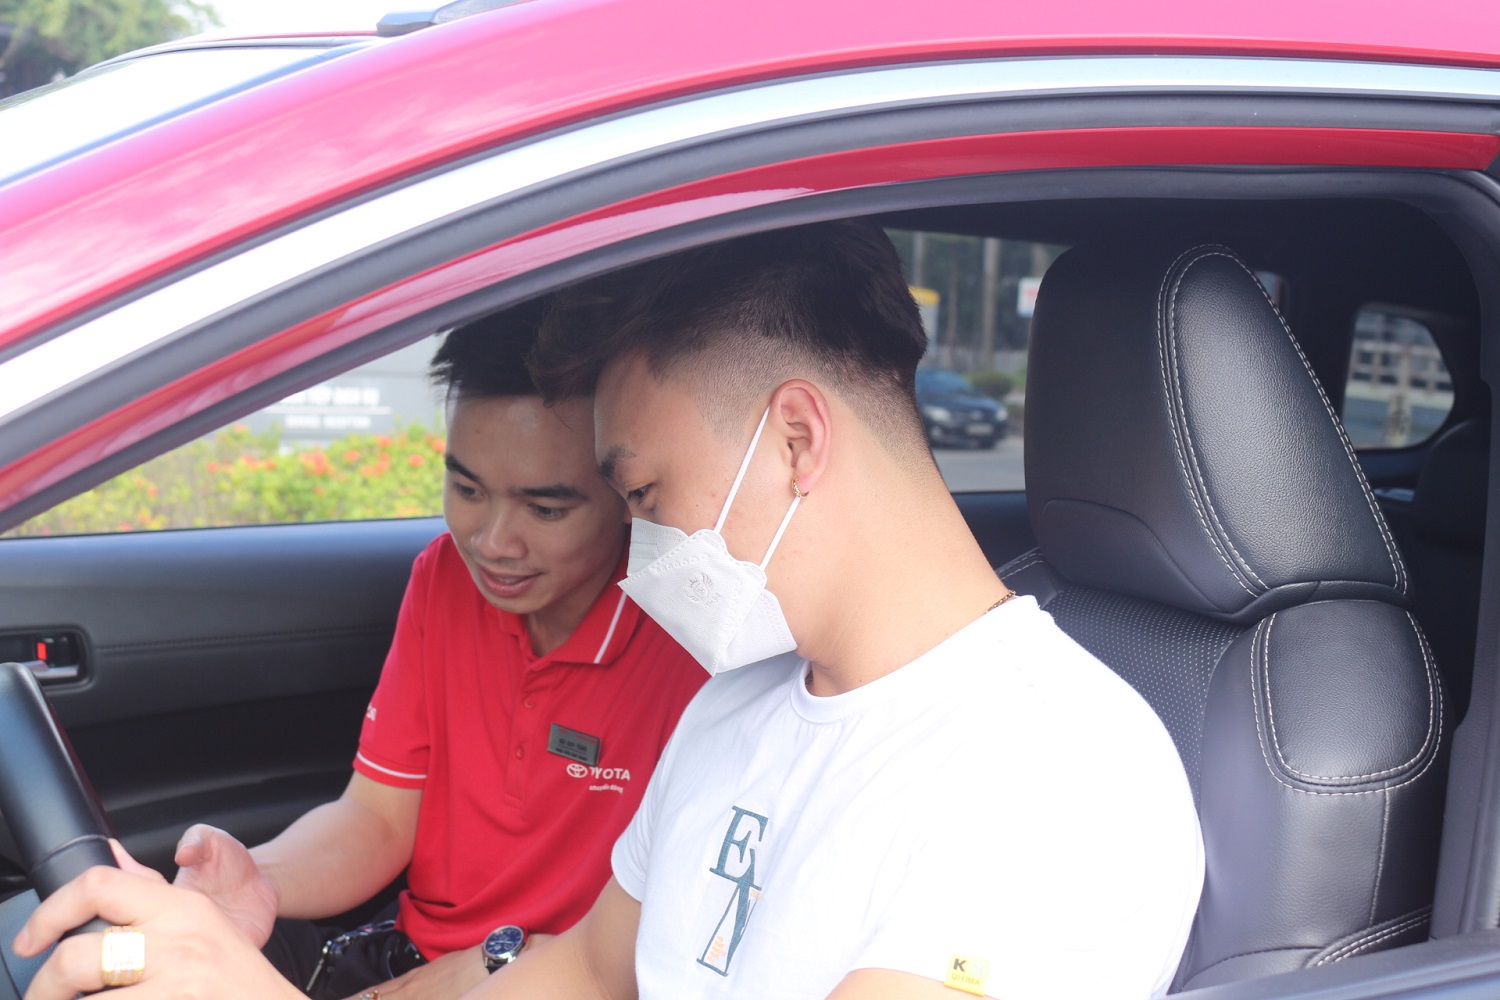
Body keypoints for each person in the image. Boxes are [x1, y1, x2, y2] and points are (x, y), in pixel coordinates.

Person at [15, 221, 1202, 1000]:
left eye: (643, 496)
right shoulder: (737, 712)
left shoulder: (1062, 775)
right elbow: (583, 970)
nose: (644, 552)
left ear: (796, 439)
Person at [154, 303, 705, 999]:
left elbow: (665, 936)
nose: (492, 542)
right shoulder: (444, 579)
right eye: (467, 489)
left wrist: (494, 965)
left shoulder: (689, 639)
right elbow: (377, 818)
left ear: (629, 494)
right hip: (409, 958)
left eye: (545, 509)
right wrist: (256, 878)